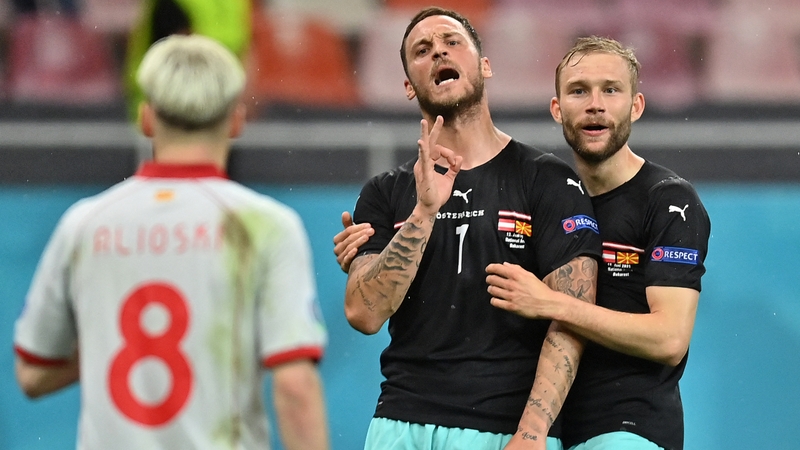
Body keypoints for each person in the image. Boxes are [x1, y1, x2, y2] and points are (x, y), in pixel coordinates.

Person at [13, 34, 329, 450]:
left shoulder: (85, 223)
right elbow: (294, 386)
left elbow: (32, 375)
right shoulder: (265, 225)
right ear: (236, 120)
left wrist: (109, 338)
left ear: (146, 118)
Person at [333, 7, 601, 450]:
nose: (438, 49)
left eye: (452, 41)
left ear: (485, 65)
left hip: (505, 428)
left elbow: (570, 319)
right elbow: (364, 313)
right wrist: (423, 213)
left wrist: (533, 432)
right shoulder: (385, 192)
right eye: (422, 50)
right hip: (401, 424)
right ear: (407, 86)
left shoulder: (547, 180)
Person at [485, 36, 711, 450]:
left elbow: (669, 339)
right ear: (557, 110)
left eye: (611, 89)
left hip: (628, 431)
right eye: (578, 91)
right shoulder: (540, 200)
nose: (595, 104)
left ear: (636, 106)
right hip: (542, 432)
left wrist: (555, 304)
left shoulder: (669, 200)